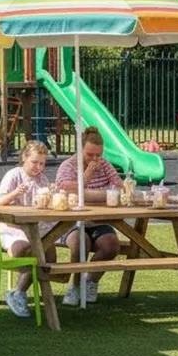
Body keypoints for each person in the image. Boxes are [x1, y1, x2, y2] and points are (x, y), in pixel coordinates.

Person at [55, 127, 123, 307]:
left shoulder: (105, 164)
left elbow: (119, 188)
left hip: (98, 220)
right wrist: (88, 176)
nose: (95, 159)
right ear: (80, 149)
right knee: (80, 242)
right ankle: (75, 286)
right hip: (71, 222)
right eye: (90, 154)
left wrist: (87, 193)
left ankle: (90, 281)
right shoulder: (68, 165)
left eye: (98, 155)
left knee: (111, 245)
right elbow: (65, 187)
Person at [0, 141, 51, 319]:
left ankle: (20, 291)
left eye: (42, 163)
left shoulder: (42, 179)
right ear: (24, 158)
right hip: (11, 228)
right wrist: (16, 193)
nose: (38, 167)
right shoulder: (13, 175)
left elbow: (43, 203)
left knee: (47, 251)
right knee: (27, 250)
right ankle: (18, 292)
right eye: (34, 162)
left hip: (33, 228)